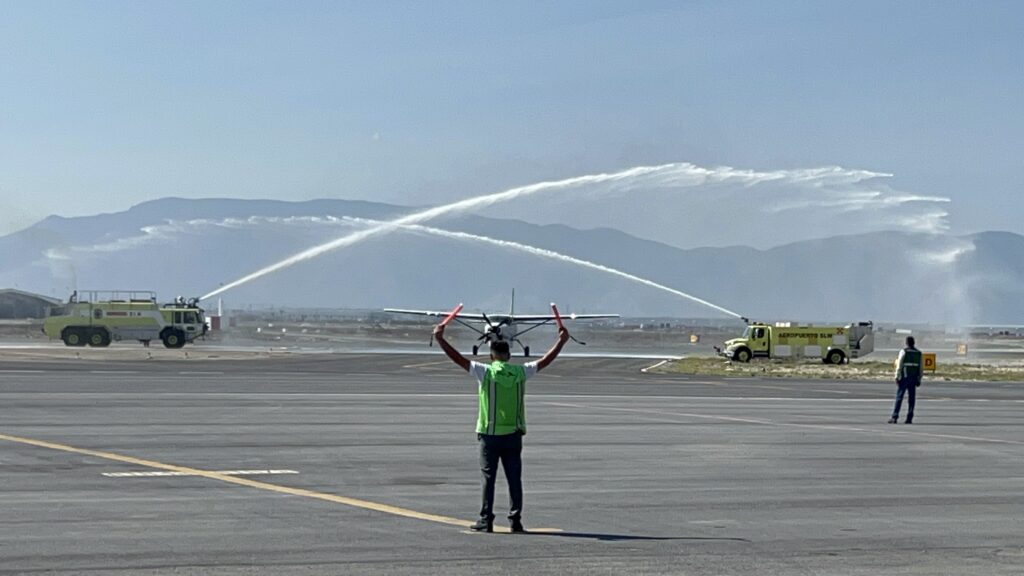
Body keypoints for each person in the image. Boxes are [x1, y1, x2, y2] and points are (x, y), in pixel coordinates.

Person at [433, 323, 570, 534]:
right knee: (514, 479)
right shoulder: (521, 372)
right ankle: (515, 520)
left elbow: (458, 359)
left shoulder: (485, 372)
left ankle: (486, 519)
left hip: (489, 435)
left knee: (488, 478)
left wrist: (440, 339)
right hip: (513, 435)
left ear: (491, 356)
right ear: (509, 355)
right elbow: (545, 360)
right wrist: (561, 341)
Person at [889, 336, 923, 424]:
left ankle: (895, 416)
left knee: (899, 397)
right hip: (913, 378)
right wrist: (919, 378)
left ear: (906, 343)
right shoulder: (918, 353)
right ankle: (909, 417)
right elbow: (921, 368)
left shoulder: (904, 351)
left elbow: (899, 365)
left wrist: (897, 376)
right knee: (911, 399)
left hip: (904, 377)